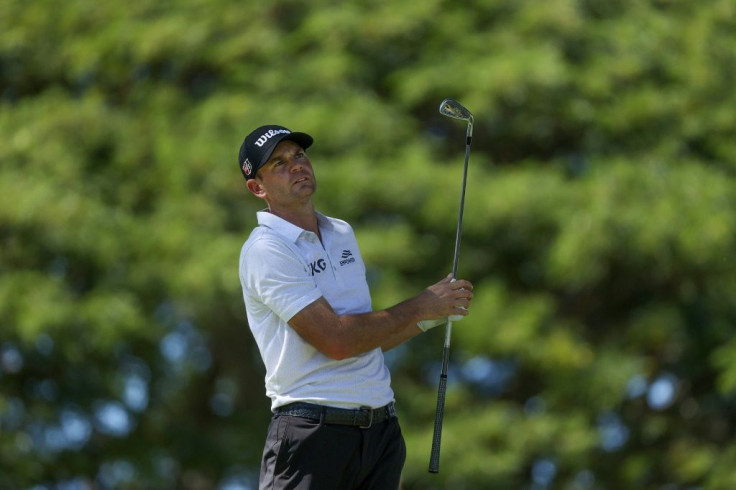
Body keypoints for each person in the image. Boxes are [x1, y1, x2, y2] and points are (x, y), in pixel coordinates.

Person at [237, 124, 474, 490]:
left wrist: (431, 316)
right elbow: (337, 341)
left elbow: (365, 337)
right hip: (311, 432)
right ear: (258, 188)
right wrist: (421, 305)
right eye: (279, 163)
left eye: (299, 155)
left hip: (381, 433)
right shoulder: (266, 250)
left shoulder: (341, 232)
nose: (297, 165)